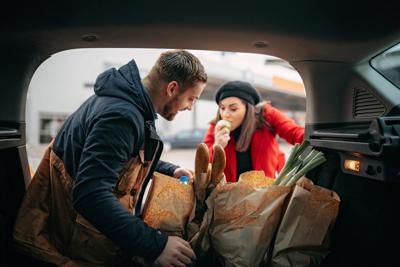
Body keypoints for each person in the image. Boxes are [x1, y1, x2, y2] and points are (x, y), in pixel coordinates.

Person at [13, 50, 207, 267]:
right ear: (172, 88)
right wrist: (156, 245)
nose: (190, 106)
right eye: (192, 98)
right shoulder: (120, 116)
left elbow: (121, 158)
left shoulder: (129, 107)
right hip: (73, 243)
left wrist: (171, 170)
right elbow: (90, 195)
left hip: (87, 236)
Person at [204, 80, 304, 182]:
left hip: (264, 191)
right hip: (230, 193)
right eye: (222, 108)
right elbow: (203, 166)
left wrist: (316, 138)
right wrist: (217, 147)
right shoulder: (216, 127)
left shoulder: (266, 116)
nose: (225, 114)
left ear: (248, 108)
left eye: (233, 109)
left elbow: (294, 132)